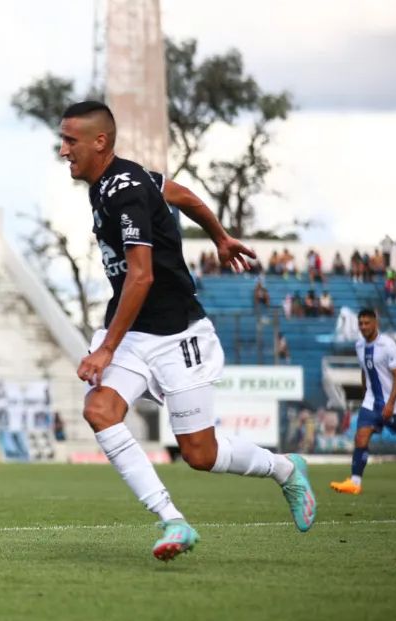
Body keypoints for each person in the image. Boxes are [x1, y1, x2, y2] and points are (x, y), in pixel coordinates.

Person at [58, 101, 315, 562]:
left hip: (179, 335)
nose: (62, 150)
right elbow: (182, 196)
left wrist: (104, 350)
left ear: (100, 142)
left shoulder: (125, 192)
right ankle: (171, 518)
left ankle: (284, 468)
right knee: (100, 410)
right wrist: (218, 235)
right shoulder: (118, 180)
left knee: (201, 453)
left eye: (70, 141)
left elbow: (142, 276)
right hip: (134, 331)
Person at [331, 309, 396, 494]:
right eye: (360, 323)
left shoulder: (388, 345)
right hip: (371, 403)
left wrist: (390, 404)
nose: (363, 327)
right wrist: (364, 394)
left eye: (367, 323)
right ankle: (355, 483)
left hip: (395, 405)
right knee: (360, 437)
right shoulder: (359, 344)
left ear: (375, 323)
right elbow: (365, 370)